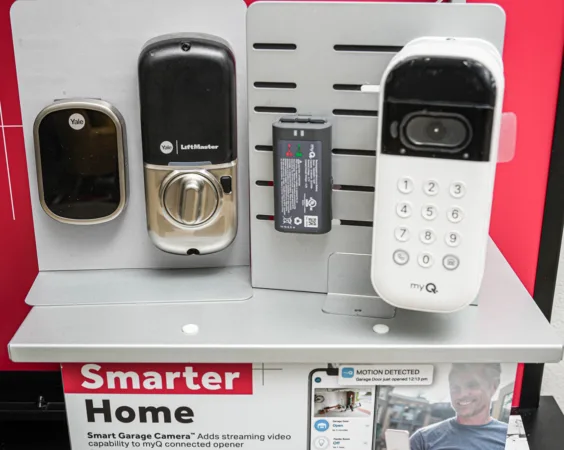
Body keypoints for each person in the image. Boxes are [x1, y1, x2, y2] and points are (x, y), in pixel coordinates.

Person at [409, 363, 508, 450]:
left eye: (472, 385)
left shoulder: (511, 438)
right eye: (455, 387)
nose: (462, 394)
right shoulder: (423, 439)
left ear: (493, 386)